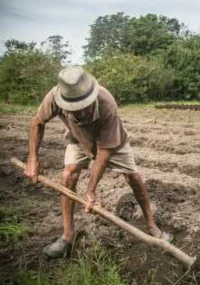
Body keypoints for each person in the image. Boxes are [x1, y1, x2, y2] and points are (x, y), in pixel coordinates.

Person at [25, 66, 172, 259]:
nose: (81, 112)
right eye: (74, 109)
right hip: (78, 139)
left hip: (112, 143)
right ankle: (67, 236)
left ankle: (152, 226)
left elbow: (103, 154)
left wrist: (90, 191)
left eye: (84, 106)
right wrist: (32, 159)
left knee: (134, 178)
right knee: (67, 175)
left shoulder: (106, 104)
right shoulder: (54, 97)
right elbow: (38, 122)